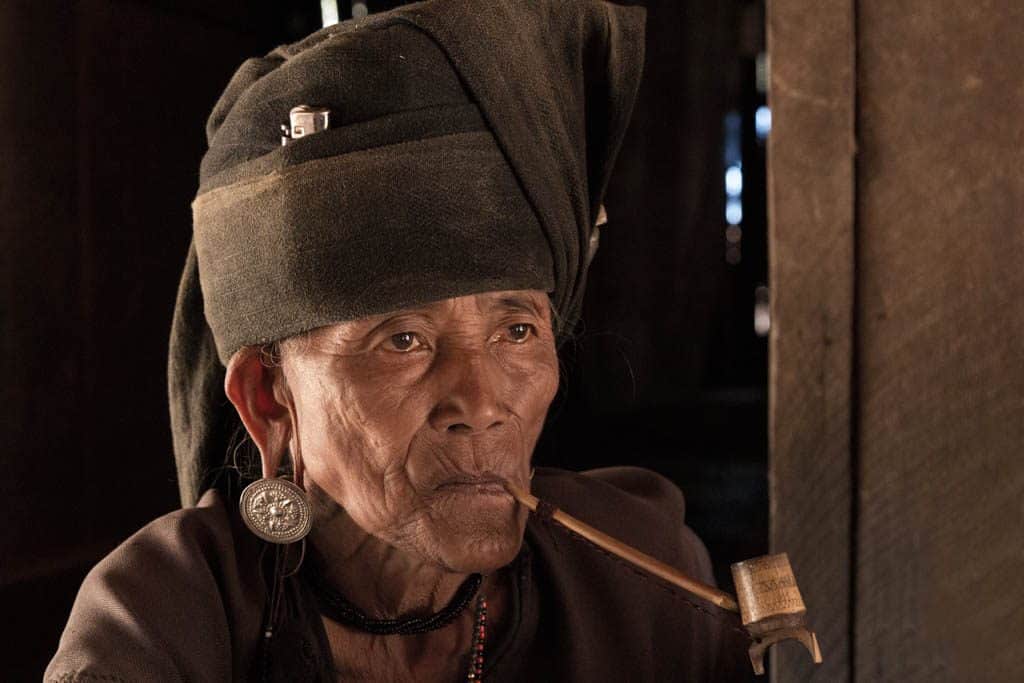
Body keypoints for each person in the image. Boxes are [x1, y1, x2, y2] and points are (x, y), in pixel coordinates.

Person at [46, 0, 755, 680]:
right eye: (405, 340)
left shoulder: (648, 588)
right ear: (270, 399)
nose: (481, 405)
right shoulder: (161, 627)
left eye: (516, 330)